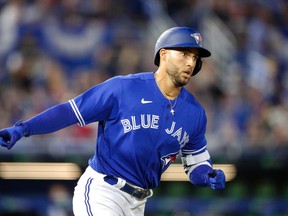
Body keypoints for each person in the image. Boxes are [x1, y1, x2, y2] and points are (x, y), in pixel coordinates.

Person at [0, 27, 226, 216]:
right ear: (164, 54)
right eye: (185, 54)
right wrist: (24, 128)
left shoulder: (195, 113)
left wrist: (208, 174)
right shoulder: (123, 88)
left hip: (139, 203)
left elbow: (196, 164)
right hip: (103, 191)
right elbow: (69, 112)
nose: (191, 62)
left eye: (195, 58)